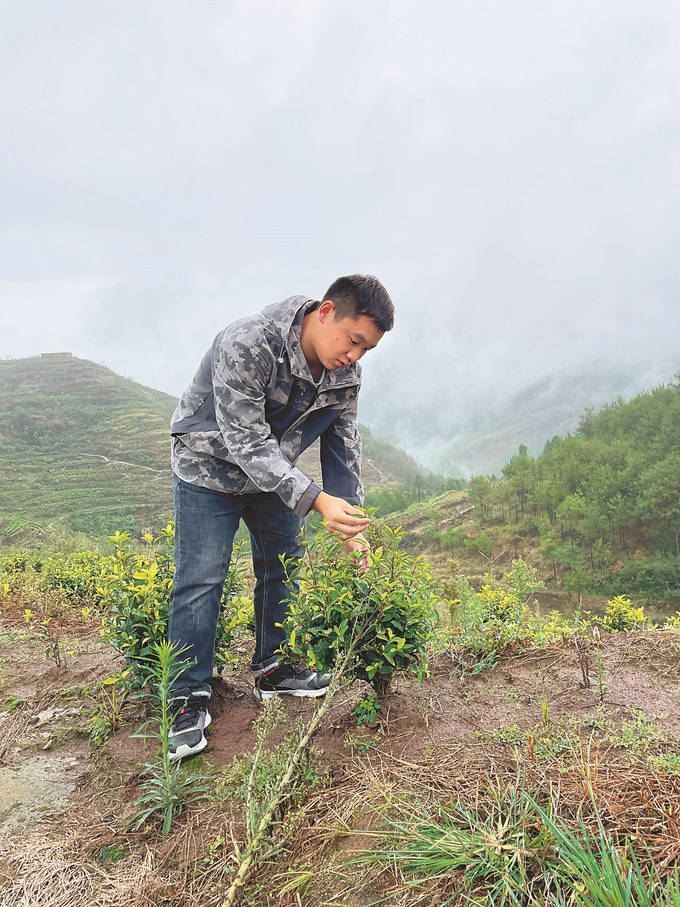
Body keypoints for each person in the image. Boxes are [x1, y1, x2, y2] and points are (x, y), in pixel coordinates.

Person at [167, 274, 394, 760]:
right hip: (209, 468)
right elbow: (246, 442)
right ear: (327, 311)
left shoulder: (344, 374)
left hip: (274, 477)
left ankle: (275, 669)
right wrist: (315, 499)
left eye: (366, 350)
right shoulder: (249, 342)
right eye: (353, 341)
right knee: (201, 580)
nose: (354, 356)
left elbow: (342, 445)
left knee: (284, 566)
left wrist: (351, 522)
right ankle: (186, 699)